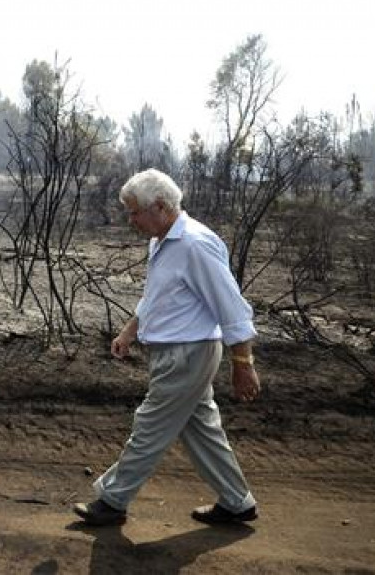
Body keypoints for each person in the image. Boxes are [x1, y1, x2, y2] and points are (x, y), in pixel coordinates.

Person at [73, 168, 261, 527]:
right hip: (174, 353)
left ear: (158, 206)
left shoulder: (194, 244)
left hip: (187, 355)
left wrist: (243, 361)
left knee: (150, 425)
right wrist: (130, 330)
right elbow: (158, 297)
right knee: (201, 429)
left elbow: (231, 306)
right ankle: (238, 502)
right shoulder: (162, 241)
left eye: (134, 212)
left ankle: (113, 500)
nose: (131, 220)